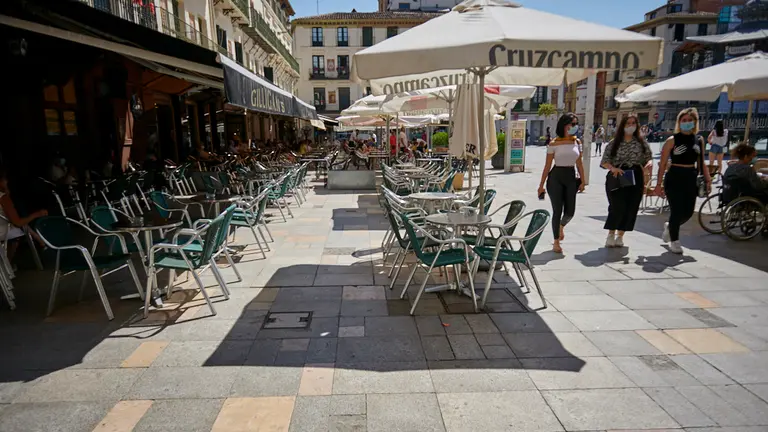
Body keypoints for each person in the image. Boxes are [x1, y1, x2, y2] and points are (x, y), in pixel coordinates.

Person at [653, 108, 711, 254]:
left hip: (691, 177)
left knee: (688, 212)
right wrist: (658, 184)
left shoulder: (699, 140)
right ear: (679, 122)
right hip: (674, 176)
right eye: (683, 120)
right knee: (677, 210)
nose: (687, 123)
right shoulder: (672, 140)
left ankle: (670, 226)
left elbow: (702, 161)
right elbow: (662, 163)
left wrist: (708, 179)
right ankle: (675, 240)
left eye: (689, 120)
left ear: (695, 122)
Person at [600, 114, 653, 247]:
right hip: (618, 175)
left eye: (633, 123)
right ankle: (611, 234)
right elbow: (604, 161)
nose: (630, 126)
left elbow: (648, 158)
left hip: (635, 175)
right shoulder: (614, 143)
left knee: (631, 207)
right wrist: (613, 168)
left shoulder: (641, 143)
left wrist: (649, 164)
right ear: (622, 126)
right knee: (616, 206)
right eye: (627, 123)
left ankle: (620, 236)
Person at [538, 113, 586, 254]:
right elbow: (547, 166)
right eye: (571, 124)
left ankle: (561, 226)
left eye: (575, 124)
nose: (574, 127)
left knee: (570, 211)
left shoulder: (577, 143)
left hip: (571, 177)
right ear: (564, 125)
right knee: (557, 210)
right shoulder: (554, 143)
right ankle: (556, 242)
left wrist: (583, 181)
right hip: (556, 178)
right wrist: (541, 185)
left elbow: (580, 163)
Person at [0, 170, 47, 264]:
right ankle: (7, 264)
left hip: (3, 227)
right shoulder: (3, 198)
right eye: (4, 179)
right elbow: (18, 222)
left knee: (21, 225)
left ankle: (40, 240)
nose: (7, 181)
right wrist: (37, 214)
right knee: (21, 227)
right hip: (2, 231)